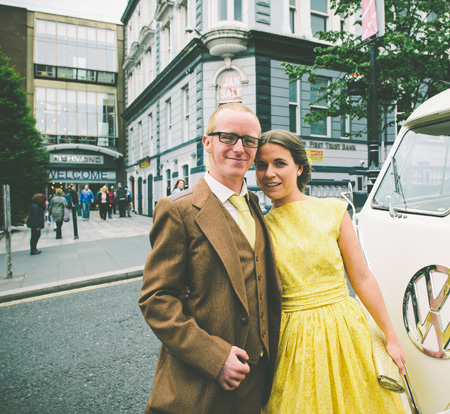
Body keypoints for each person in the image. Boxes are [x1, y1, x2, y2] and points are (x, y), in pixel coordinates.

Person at [139, 102, 282, 414]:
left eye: (249, 140)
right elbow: (156, 298)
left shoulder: (256, 205)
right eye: (228, 137)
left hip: (256, 381)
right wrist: (214, 358)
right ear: (207, 143)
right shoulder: (178, 209)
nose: (239, 148)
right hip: (202, 385)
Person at [255, 130, 406, 414]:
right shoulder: (259, 226)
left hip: (346, 331)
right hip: (292, 340)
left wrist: (391, 336)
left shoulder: (334, 211)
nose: (268, 173)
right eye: (260, 165)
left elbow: (361, 277)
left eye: (279, 163)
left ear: (299, 167)